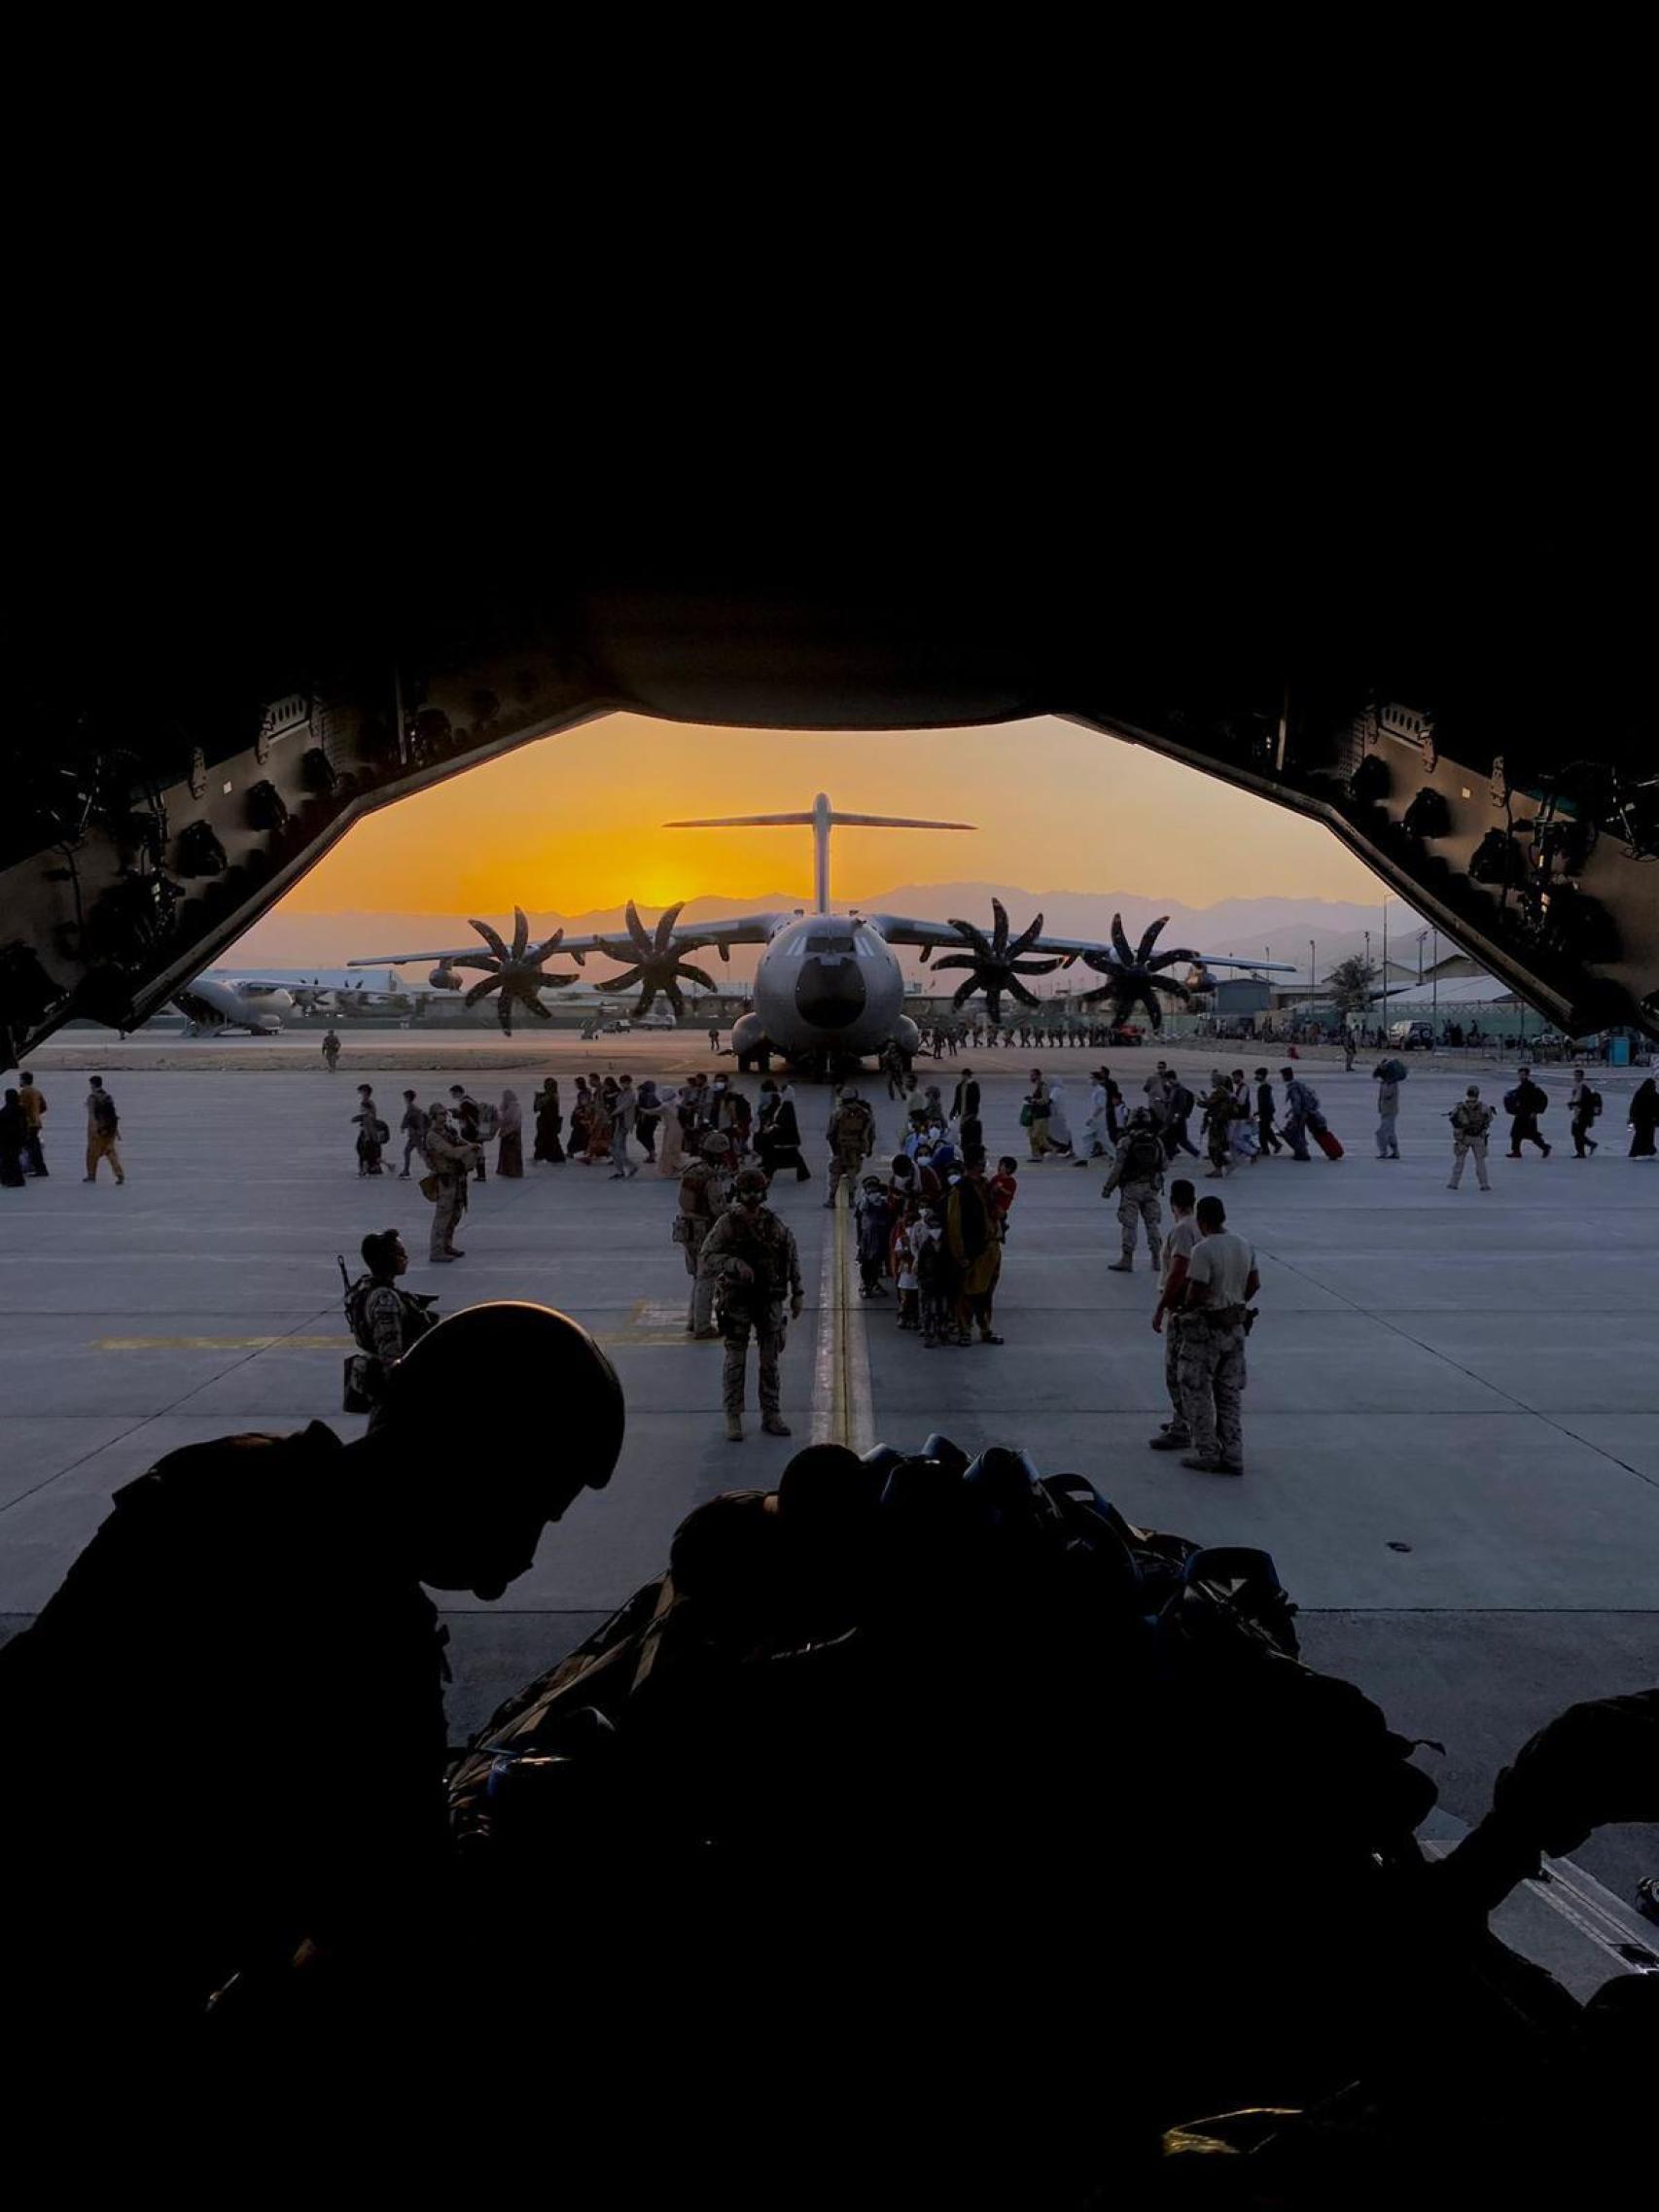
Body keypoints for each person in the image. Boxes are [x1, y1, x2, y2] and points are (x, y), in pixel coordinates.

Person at [0, 1303, 624, 2043]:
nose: (517, 1563)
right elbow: (395, 1910)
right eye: (531, 1513)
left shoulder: (213, 1485)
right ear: (472, 1465)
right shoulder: (367, 1628)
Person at [699, 1167, 803, 1439]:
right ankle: (733, 1416)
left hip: (769, 1298)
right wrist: (733, 1263)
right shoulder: (727, 1224)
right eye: (748, 1192)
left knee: (770, 1361)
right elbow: (707, 1255)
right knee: (736, 1360)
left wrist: (798, 1292)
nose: (753, 1197)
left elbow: (790, 1254)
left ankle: (772, 1413)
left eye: (757, 1191)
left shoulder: (773, 1223)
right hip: (738, 1299)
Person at [1176, 1193, 1259, 1476]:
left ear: (1201, 1220)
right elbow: (1254, 1283)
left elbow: (1196, 1291)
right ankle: (1233, 1453)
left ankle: (1208, 1451)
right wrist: (1236, 1299)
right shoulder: (1244, 1244)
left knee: (1196, 1390)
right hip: (1235, 1327)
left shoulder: (1204, 1250)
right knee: (1229, 1393)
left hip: (1207, 1330)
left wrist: (1185, 1310)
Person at [343, 1229, 440, 1402]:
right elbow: (390, 1354)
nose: (405, 1258)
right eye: (400, 1254)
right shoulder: (384, 1301)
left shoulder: (364, 1286)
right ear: (386, 1260)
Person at [1147, 1177, 1200, 1452]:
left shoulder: (1181, 1230)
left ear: (1173, 1203)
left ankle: (1182, 1426)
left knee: (1176, 1371)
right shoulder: (1199, 1225)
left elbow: (1179, 1268)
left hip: (1180, 1307)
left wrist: (1162, 1307)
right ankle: (1187, 1420)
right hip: (1195, 1306)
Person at [678, 1132, 732, 1334]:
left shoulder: (691, 1170)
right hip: (703, 1230)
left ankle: (693, 1320)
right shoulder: (711, 1176)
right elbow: (717, 1208)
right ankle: (702, 1325)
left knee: (697, 1277)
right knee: (707, 1277)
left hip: (686, 1229)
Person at [1102, 1107, 1166, 1273]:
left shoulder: (1126, 1141)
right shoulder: (1156, 1141)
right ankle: (1156, 1260)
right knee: (1152, 1223)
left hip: (1131, 1188)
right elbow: (1164, 1165)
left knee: (1129, 1224)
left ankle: (1127, 1258)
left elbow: (1118, 1168)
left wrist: (1108, 1188)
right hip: (1151, 1187)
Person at [946, 1162, 1004, 1343]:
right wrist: (959, 1252)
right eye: (982, 1160)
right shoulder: (960, 1190)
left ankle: (985, 1328)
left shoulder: (986, 1186)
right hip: (972, 1249)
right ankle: (965, 1330)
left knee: (986, 1292)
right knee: (967, 1291)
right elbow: (954, 1223)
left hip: (991, 1247)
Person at [421, 1104, 478, 1261]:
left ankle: (447, 1245)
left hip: (457, 1178)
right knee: (443, 1216)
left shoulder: (448, 1131)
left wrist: (469, 1147)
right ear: (433, 1116)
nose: (444, 1117)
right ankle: (437, 1250)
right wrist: (470, 1148)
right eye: (440, 1114)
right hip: (445, 1179)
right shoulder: (432, 1136)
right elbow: (451, 1152)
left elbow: (461, 1143)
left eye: (445, 1114)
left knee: (455, 1214)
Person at [824, 1086, 876, 1207]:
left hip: (840, 1148)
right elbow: (871, 1133)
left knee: (835, 1173)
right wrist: (869, 1148)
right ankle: (851, 1199)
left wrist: (835, 1150)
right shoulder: (865, 1113)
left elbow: (831, 1133)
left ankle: (832, 1199)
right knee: (852, 1174)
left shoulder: (837, 1113)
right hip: (856, 1150)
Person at [1447, 1085, 1497, 1190]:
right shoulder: (1484, 1107)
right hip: (1478, 1137)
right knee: (1480, 1162)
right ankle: (1484, 1184)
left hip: (1463, 1138)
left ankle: (1453, 1183)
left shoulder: (1460, 1107)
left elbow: (1453, 1120)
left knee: (1459, 1162)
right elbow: (1489, 1120)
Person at [854, 1176, 894, 1298]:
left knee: (876, 1263)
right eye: (870, 1188)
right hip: (867, 1239)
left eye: (874, 1188)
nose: (873, 1192)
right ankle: (865, 1285)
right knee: (866, 1263)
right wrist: (859, 1239)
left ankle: (874, 1283)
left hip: (880, 1239)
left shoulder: (884, 1204)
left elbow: (889, 1221)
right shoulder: (863, 1205)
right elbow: (859, 1222)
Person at [84, 1075, 124, 1183]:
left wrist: (94, 1130)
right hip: (110, 1129)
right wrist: (116, 1131)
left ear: (92, 1084)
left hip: (98, 1130)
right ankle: (119, 1173)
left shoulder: (92, 1098)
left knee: (92, 1154)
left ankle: (91, 1175)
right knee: (110, 1152)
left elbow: (92, 1116)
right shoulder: (108, 1097)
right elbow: (113, 1115)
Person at [1505, 1066, 1551, 1158]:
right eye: (1520, 1074)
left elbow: (1540, 1099)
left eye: (1523, 1075)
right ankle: (1516, 1151)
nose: (1521, 1076)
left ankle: (1545, 1147)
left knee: (1531, 1134)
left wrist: (1535, 1111)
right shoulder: (1522, 1086)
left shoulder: (1530, 1087)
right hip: (1521, 1113)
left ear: (1527, 1075)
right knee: (1516, 1134)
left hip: (1528, 1114)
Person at [1280, 1067, 1320, 1162]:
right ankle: (1302, 1152)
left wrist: (1296, 1113)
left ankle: (1302, 1153)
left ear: (1285, 1076)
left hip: (1300, 1113)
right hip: (1304, 1112)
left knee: (1296, 1133)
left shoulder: (1293, 1087)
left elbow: (1297, 1101)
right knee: (1299, 1133)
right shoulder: (1298, 1084)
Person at [1200, 1071, 1235, 1178]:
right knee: (1219, 1145)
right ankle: (1224, 1163)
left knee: (1214, 1146)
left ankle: (1219, 1167)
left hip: (1217, 1122)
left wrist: (1198, 1101)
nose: (1212, 1082)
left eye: (1213, 1080)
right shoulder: (1224, 1092)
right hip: (1221, 1122)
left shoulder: (1220, 1092)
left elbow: (1209, 1104)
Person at [1372, 1055, 1403, 1160]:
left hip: (1389, 1111)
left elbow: (1386, 1096)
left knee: (1381, 1133)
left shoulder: (1391, 1084)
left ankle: (1384, 1152)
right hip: (1386, 1111)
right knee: (1390, 1134)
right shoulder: (1387, 1083)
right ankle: (1395, 1152)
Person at [17, 1071, 48, 1176]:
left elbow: (21, 1109)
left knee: (30, 1146)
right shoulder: (37, 1092)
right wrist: (36, 1113)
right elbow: (44, 1107)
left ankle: (37, 1167)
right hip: (37, 1122)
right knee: (34, 1145)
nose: (19, 1082)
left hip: (28, 1123)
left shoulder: (24, 1092)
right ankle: (39, 1167)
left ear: (24, 1080)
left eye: (20, 1079)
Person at [352, 1085, 387, 1176]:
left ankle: (366, 1168)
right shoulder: (368, 1102)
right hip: (367, 1129)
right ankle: (372, 1167)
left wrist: (359, 1118)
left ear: (366, 1092)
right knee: (367, 1150)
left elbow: (368, 1117)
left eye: (362, 1092)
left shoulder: (367, 1103)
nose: (360, 1094)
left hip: (368, 1131)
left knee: (364, 1149)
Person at [610, 1074, 639, 1179]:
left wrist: (612, 1113)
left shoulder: (630, 1094)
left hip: (624, 1124)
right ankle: (623, 1169)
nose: (623, 1084)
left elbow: (623, 1106)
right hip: (619, 1123)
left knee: (617, 1148)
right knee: (616, 1147)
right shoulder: (623, 1093)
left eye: (625, 1082)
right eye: (622, 1082)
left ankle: (629, 1167)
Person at [1568, 1068, 1601, 1158]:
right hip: (1578, 1112)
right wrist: (1572, 1104)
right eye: (1575, 1075)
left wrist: (1574, 1103)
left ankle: (1581, 1152)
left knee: (1578, 1133)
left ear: (1582, 1076)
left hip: (1583, 1113)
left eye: (1577, 1076)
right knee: (1576, 1132)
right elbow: (1575, 1097)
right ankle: (1589, 1145)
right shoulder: (1577, 1085)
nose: (1575, 1077)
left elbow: (1585, 1102)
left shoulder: (1584, 1087)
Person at [533, 1079, 565, 1165]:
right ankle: (542, 1156)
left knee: (551, 1140)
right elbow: (536, 1108)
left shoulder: (553, 1096)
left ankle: (552, 1157)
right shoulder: (545, 1096)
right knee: (543, 1140)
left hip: (551, 1123)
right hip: (545, 1122)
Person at [1024, 1070, 1053, 1159]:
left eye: (1032, 1075)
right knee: (1033, 1137)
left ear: (1038, 1076)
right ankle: (1036, 1155)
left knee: (1038, 1137)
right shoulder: (1036, 1087)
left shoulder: (1043, 1087)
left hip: (1041, 1116)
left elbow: (1046, 1100)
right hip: (1035, 1115)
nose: (1031, 1077)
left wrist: (1034, 1101)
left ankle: (1055, 1151)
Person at [0, 1088, 27, 1188]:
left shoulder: (5, 1111)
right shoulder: (21, 1109)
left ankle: (10, 1179)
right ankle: (15, 1179)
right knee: (14, 1159)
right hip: (18, 1138)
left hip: (6, 1140)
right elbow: (24, 1124)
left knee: (8, 1160)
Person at [399, 1090, 429, 1178]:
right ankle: (406, 1170)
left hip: (415, 1134)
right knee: (412, 1151)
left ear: (408, 1098)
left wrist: (402, 1127)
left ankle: (434, 1168)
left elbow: (407, 1118)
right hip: (416, 1133)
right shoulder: (414, 1108)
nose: (404, 1099)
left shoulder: (411, 1108)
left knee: (419, 1152)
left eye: (405, 1097)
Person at [1253, 1067, 1283, 1156]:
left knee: (1263, 1131)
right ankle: (1275, 1145)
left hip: (1265, 1113)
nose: (1256, 1077)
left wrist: (1260, 1112)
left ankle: (1266, 1149)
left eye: (1257, 1075)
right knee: (1266, 1130)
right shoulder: (1265, 1087)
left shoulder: (1264, 1087)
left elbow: (1264, 1102)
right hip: (1265, 1112)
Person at [496, 1090, 524, 1177]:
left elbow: (509, 1120)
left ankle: (511, 1171)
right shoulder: (512, 1106)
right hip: (511, 1133)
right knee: (510, 1153)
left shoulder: (512, 1107)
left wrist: (505, 1130)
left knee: (511, 1153)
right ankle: (509, 1170)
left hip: (511, 1133)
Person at [1629, 1075, 1659, 1158]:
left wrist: (1632, 1117)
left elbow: (1634, 1106)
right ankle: (1648, 1150)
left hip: (1640, 1119)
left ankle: (1639, 1151)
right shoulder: (1654, 1094)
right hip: (1649, 1120)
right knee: (1648, 1136)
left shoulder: (1640, 1093)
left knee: (1640, 1136)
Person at [990, 1154, 1019, 1236]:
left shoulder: (1011, 1181)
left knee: (996, 1212)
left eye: (1001, 1166)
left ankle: (1000, 1227)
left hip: (1001, 1205)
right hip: (993, 1201)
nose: (998, 1167)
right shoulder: (996, 1178)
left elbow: (1009, 1193)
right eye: (999, 1165)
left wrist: (1001, 1188)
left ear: (1009, 1169)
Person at [634, 1080, 661, 1164]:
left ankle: (651, 1153)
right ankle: (651, 1153)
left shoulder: (646, 1095)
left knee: (642, 1136)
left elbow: (645, 1107)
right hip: (650, 1120)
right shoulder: (652, 1096)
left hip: (646, 1119)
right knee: (648, 1136)